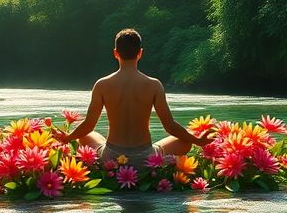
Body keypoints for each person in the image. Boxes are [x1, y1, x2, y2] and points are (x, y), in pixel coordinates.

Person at [52, 28, 213, 164]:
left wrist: (68, 137)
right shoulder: (154, 85)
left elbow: (89, 124)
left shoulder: (102, 84)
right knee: (185, 142)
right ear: (140, 53)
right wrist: (197, 140)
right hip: (145, 157)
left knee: (86, 136)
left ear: (115, 53)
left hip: (111, 156)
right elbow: (169, 125)